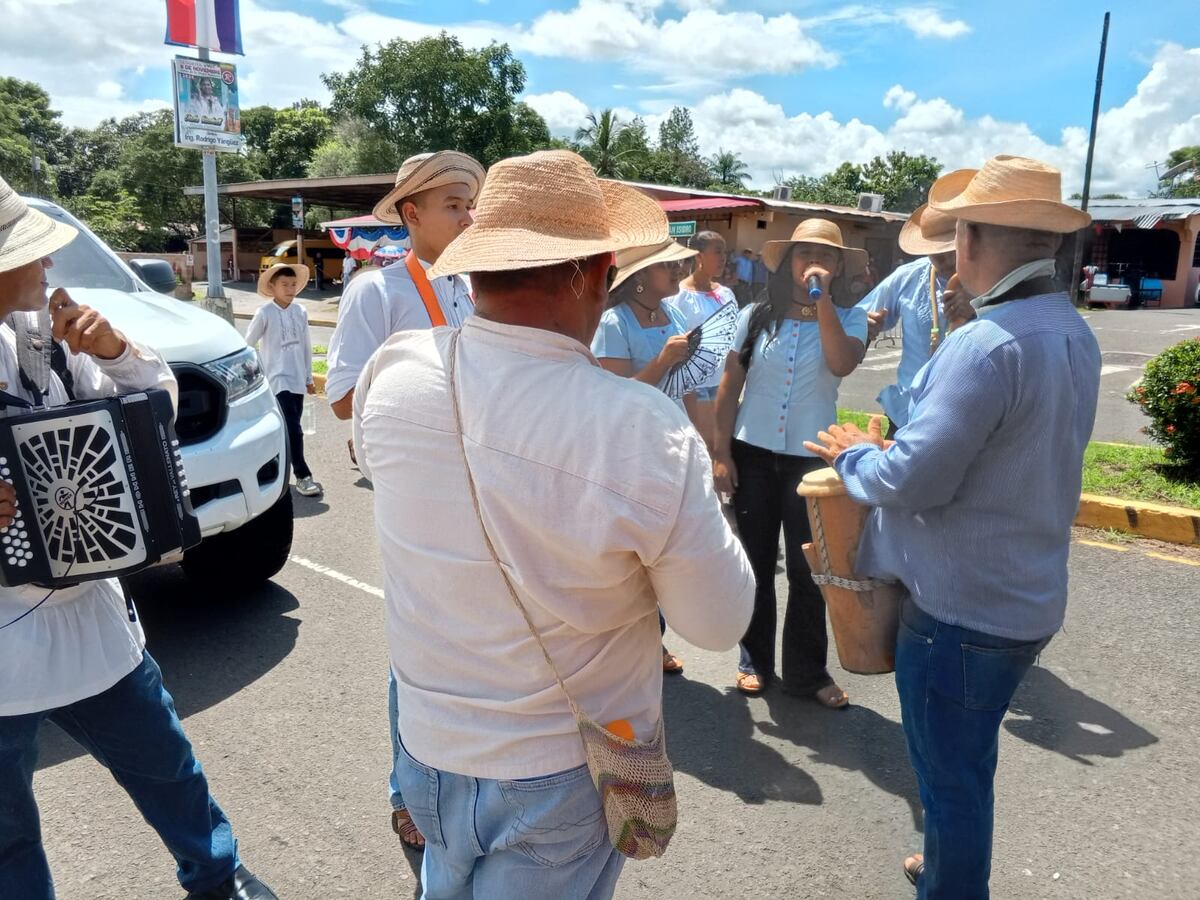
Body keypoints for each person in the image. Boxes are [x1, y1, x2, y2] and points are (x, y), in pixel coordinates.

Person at [354, 149, 754, 899]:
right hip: (557, 767)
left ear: (474, 266)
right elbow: (717, 620)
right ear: (596, 274)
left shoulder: (396, 370)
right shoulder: (642, 430)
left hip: (428, 746)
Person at [804, 156, 1101, 899]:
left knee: (949, 777)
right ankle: (946, 866)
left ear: (969, 240)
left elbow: (912, 479)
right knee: (965, 766)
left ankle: (952, 882)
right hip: (1023, 597)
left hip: (962, 613)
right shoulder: (1070, 329)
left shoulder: (984, 343)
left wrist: (857, 456)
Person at [0, 178, 278, 900]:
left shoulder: (44, 336)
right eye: (33, 255)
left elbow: (152, 416)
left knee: (167, 767)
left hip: (87, 615)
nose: (50, 269)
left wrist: (117, 349)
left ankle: (218, 877)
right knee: (5, 831)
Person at [326, 149, 484, 853]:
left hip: (481, 485)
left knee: (474, 642)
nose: (469, 214)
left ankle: (465, 773)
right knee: (417, 650)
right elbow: (338, 399)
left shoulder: (481, 286)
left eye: (471, 203)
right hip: (417, 491)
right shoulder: (377, 290)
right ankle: (407, 792)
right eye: (453, 204)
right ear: (411, 214)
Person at [711, 218, 868, 702]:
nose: (812, 264)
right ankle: (753, 661)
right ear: (789, 263)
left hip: (811, 461)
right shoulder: (757, 316)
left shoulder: (851, 317)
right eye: (803, 256)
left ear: (839, 267)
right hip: (753, 454)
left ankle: (807, 673)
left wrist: (821, 303)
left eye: (824, 257)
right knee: (755, 563)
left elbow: (841, 362)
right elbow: (730, 383)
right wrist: (720, 452)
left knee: (809, 569)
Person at [594, 235, 701, 674]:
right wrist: (663, 360)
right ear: (639, 280)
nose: (676, 272)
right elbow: (614, 396)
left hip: (670, 445)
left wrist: (704, 440)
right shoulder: (614, 324)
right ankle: (630, 643)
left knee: (661, 553)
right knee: (632, 555)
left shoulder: (672, 314)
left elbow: (690, 386)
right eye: (666, 267)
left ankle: (651, 639)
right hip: (631, 452)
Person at [859, 199, 959, 436]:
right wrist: (865, 324)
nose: (942, 258)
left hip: (963, 416)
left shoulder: (990, 282)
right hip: (908, 414)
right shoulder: (909, 277)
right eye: (934, 250)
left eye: (949, 247)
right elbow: (860, 314)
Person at [246, 264, 322, 498]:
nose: (290, 289)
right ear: (272, 286)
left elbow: (307, 347)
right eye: (284, 285)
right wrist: (256, 374)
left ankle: (269, 470)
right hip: (277, 380)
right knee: (294, 429)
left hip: (297, 378)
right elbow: (247, 344)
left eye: (292, 285)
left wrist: (309, 377)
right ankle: (302, 475)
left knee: (287, 428)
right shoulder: (265, 313)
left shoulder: (300, 311)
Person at [666, 231, 738, 449]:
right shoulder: (678, 295)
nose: (723, 258)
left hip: (722, 382)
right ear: (698, 256)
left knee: (721, 445)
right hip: (692, 385)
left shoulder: (726, 294)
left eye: (725, 252)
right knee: (701, 444)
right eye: (717, 252)